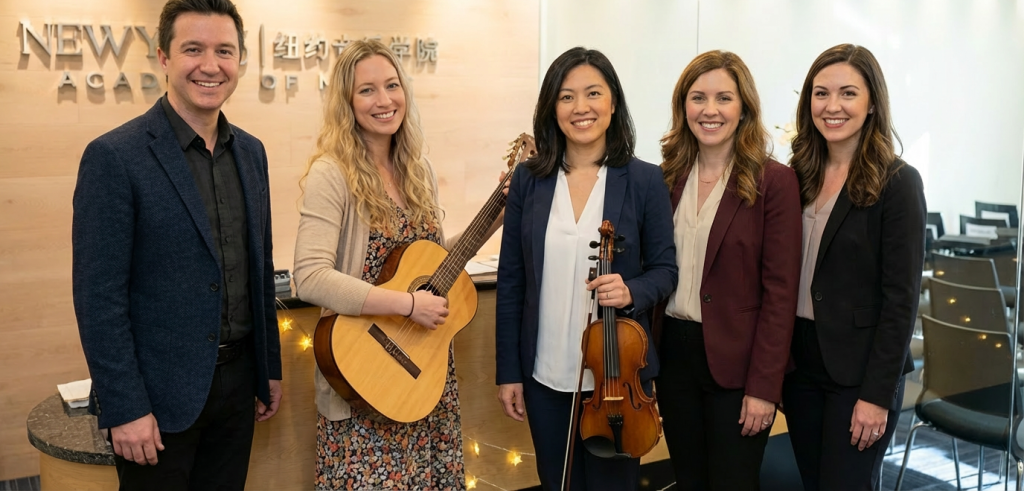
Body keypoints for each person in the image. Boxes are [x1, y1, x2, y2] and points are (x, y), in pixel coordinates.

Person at [72, 0, 282, 491]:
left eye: (224, 51)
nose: (210, 65)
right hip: (156, 402)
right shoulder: (115, 157)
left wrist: (267, 368)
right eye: (193, 49)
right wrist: (125, 407)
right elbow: (99, 299)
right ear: (164, 58)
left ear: (240, 62)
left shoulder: (251, 153)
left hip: (238, 389)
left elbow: (258, 269)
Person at [293, 39, 504, 490]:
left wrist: (494, 216)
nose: (384, 100)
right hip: (366, 379)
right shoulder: (332, 173)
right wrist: (408, 305)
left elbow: (428, 256)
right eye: (367, 90)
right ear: (346, 102)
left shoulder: (416, 169)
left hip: (422, 377)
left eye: (392, 86)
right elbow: (309, 275)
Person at [495, 47, 678, 491]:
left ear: (613, 103)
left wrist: (632, 291)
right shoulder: (528, 181)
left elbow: (665, 270)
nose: (581, 108)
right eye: (566, 96)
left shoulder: (645, 180)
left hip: (617, 381)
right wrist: (508, 372)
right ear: (551, 108)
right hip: (544, 375)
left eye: (593, 93)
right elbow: (512, 282)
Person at [653, 50, 802, 490]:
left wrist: (764, 388)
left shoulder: (774, 182)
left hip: (739, 366)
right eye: (698, 97)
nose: (710, 110)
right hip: (674, 357)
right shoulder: (665, 178)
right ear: (684, 107)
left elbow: (781, 293)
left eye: (724, 98)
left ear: (744, 108)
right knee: (689, 480)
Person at [783, 44, 926, 491]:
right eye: (821, 93)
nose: (833, 106)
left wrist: (876, 396)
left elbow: (901, 300)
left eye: (848, 93)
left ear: (871, 103)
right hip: (801, 362)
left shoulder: (898, 182)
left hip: (860, 372)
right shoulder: (797, 174)